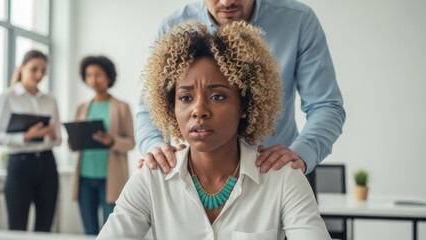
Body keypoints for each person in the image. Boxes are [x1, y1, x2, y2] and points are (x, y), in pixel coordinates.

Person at [97, 21, 331, 240]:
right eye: (186, 97)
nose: (199, 111)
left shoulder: (283, 179)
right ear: (171, 108)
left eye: (218, 96)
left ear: (245, 105)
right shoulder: (151, 177)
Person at [136, 0, 345, 175]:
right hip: (194, 177)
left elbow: (326, 105)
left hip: (277, 173)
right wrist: (156, 149)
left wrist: (301, 154)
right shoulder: (174, 26)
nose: (227, 2)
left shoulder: (298, 20)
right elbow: (149, 109)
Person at [0, 50, 61, 231]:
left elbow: (58, 140)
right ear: (21, 68)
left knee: (45, 227)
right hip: (20, 166)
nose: (39, 75)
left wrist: (52, 134)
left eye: (43, 71)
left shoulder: (50, 100)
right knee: (17, 226)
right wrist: (27, 136)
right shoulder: (7, 97)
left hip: (47, 164)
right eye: (34, 69)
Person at [70, 55, 135, 235]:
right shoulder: (81, 107)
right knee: (89, 232)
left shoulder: (122, 107)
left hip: (110, 179)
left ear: (108, 76)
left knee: (110, 233)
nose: (93, 79)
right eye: (89, 75)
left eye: (98, 74)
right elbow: (73, 144)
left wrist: (112, 140)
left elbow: (130, 143)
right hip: (84, 177)